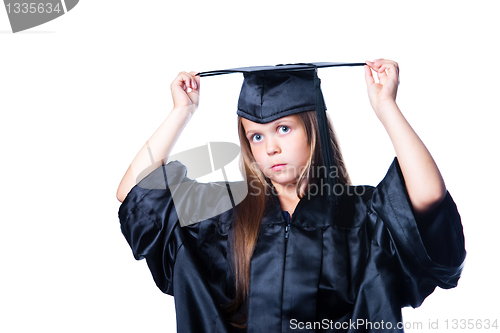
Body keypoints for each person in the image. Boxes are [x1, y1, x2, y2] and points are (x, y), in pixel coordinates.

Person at [116, 59, 466, 333]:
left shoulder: (360, 215)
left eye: (284, 128)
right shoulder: (224, 213)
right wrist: (181, 112)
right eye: (256, 136)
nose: (270, 148)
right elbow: (134, 194)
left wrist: (386, 106)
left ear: (312, 128)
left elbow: (427, 195)